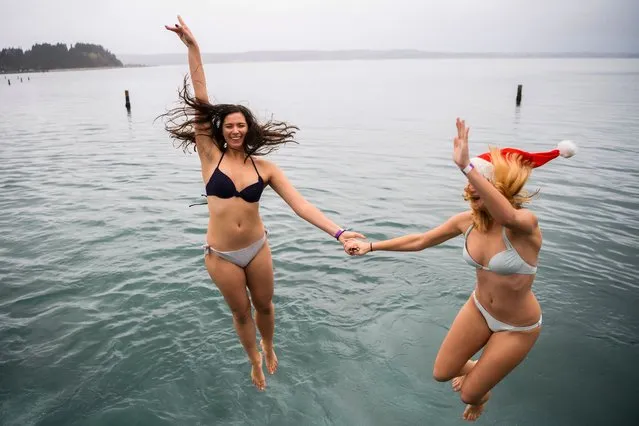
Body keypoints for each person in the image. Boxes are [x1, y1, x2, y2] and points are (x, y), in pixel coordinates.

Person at [162, 15, 364, 391]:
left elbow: (301, 206)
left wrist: (338, 232)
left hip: (257, 249)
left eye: (241, 125)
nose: (235, 130)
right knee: (241, 313)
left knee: (266, 307)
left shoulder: (266, 168)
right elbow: (202, 101)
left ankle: (269, 345)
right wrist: (194, 48)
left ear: (248, 128)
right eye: (229, 126)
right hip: (220, 254)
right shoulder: (209, 156)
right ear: (220, 130)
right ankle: (253, 360)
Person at [345, 118, 576, 421]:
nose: (470, 186)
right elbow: (421, 240)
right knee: (442, 373)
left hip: (517, 327)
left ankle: (482, 392)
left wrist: (467, 165)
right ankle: (484, 370)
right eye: (470, 180)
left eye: (480, 180)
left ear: (499, 187)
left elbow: (505, 215)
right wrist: (372, 246)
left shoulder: (524, 225)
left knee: (469, 393)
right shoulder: (467, 222)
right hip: (479, 308)